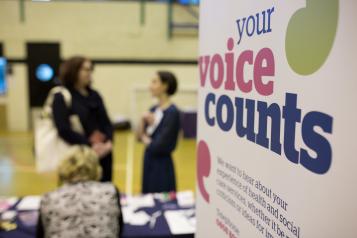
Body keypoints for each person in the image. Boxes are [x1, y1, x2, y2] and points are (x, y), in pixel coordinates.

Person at [36, 146, 123, 238]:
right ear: (96, 168)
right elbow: (118, 229)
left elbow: (41, 234)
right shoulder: (110, 191)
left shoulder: (49, 198)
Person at [52, 56, 113, 181]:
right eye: (85, 69)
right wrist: (90, 144)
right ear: (73, 71)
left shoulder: (94, 95)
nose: (89, 73)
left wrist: (108, 143)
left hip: (103, 153)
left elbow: (107, 122)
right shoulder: (61, 96)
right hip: (79, 157)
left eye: (90, 69)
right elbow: (63, 129)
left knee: (104, 189)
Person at [137, 71, 180, 194]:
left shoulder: (172, 112)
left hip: (162, 165)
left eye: (154, 82)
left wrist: (147, 139)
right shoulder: (153, 109)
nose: (150, 86)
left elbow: (158, 145)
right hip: (149, 160)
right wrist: (142, 119)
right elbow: (139, 137)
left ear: (165, 86)